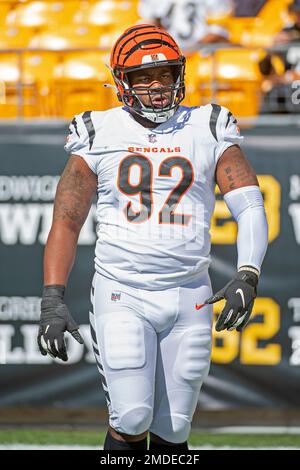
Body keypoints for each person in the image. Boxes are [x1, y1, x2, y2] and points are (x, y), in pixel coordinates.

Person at [37, 24, 268, 452]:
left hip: (189, 291)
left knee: (176, 427)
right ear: (121, 81)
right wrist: (53, 296)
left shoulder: (209, 124)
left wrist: (248, 272)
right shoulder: (98, 130)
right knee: (132, 416)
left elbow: (249, 204)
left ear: (181, 73)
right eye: (143, 77)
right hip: (123, 289)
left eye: (165, 73)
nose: (157, 86)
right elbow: (67, 219)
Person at [138, 0, 233, 52]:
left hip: (203, 54)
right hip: (165, 53)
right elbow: (147, 23)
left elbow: (218, 30)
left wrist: (193, 49)